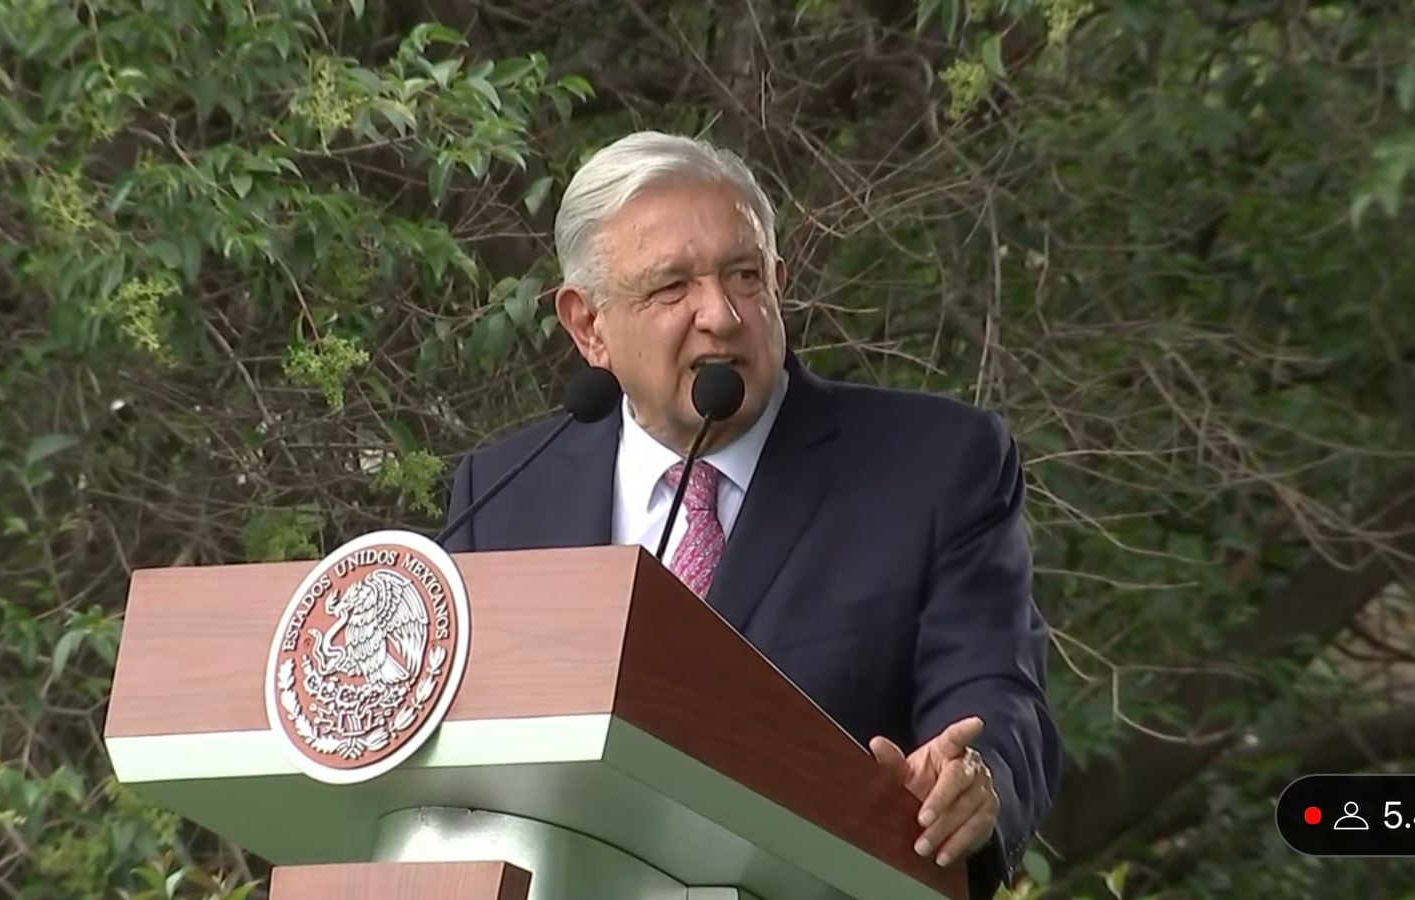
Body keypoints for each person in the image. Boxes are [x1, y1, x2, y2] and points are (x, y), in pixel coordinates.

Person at [441, 131, 1062, 899]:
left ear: (777, 281)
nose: (722, 316)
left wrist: (977, 779)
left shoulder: (935, 465)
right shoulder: (503, 493)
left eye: (744, 275)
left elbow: (999, 696)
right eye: (672, 287)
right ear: (588, 326)